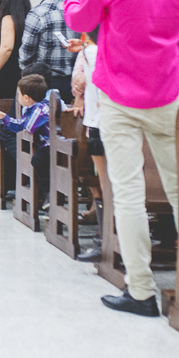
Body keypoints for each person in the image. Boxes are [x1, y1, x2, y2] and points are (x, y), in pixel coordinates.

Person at [63, 0, 179, 317]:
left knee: (129, 194)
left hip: (120, 97)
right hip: (167, 94)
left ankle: (141, 291)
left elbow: (80, 23)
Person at [19, 0, 78, 102]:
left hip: (45, 82)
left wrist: (27, 74)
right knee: (69, 122)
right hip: (74, 80)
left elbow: (26, 53)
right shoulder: (76, 9)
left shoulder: (37, 14)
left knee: (45, 122)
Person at [71, 28, 105, 261]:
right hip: (103, 119)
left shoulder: (93, 51)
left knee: (107, 184)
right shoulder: (90, 50)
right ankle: (104, 238)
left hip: (101, 120)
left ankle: (105, 240)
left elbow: (82, 81)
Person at [0, 74, 51, 200]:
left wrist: (25, 127)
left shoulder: (41, 109)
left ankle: (47, 191)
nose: (17, 98)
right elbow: (19, 125)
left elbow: (30, 127)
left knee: (37, 160)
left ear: (26, 97)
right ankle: (41, 193)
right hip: (40, 145)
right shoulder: (30, 109)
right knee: (35, 159)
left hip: (49, 146)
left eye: (19, 95)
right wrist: (4, 117)